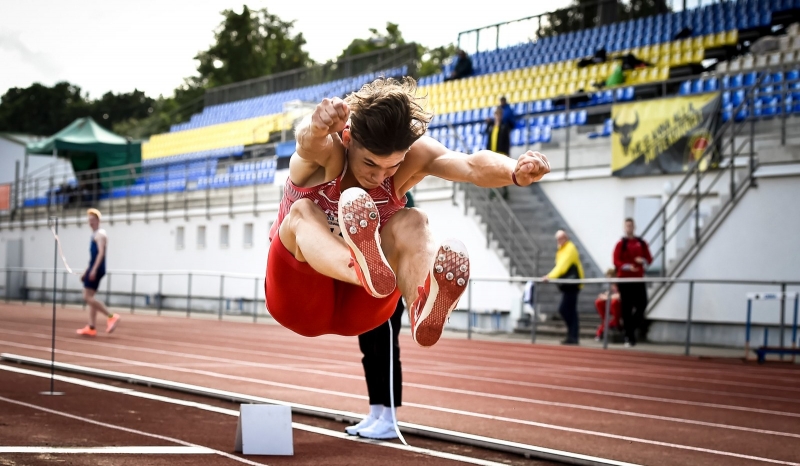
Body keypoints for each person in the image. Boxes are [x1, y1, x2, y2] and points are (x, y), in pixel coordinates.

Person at [265, 76, 550, 348]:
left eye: (392, 166)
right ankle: (363, 269)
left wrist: (514, 170)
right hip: (299, 300)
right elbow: (307, 143)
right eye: (370, 164)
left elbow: (471, 166)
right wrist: (316, 126)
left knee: (413, 219)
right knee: (302, 211)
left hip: (364, 308)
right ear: (349, 138)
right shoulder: (328, 152)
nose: (380, 177)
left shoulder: (413, 156)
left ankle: (421, 306)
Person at [345, 193, 415, 440]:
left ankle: (390, 418)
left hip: (390, 286)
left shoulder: (402, 197)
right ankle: (375, 412)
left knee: (385, 351)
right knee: (369, 351)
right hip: (365, 285)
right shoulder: (363, 193)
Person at [76, 208, 120, 336]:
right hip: (94, 267)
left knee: (86, 296)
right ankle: (91, 327)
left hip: (98, 268)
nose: (90, 222)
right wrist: (86, 271)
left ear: (98, 220)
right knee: (90, 297)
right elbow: (93, 257)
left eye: (93, 220)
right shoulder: (95, 234)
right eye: (89, 220)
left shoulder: (100, 234)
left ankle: (111, 316)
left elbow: (101, 253)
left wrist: (93, 269)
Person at [613, 218, 653, 347]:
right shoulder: (621, 243)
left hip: (638, 279)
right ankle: (629, 337)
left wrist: (643, 261)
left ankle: (630, 328)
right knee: (627, 308)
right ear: (624, 228)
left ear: (634, 227)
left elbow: (649, 258)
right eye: (627, 226)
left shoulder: (641, 243)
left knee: (642, 304)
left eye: (631, 225)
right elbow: (616, 260)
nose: (629, 228)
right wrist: (627, 266)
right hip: (625, 279)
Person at [542, 230, 584, 345]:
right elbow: (560, 266)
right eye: (558, 239)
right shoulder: (562, 249)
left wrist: (549, 276)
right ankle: (572, 335)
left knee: (565, 309)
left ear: (566, 238)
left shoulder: (569, 248)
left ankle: (573, 335)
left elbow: (562, 267)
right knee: (570, 310)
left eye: (561, 238)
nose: (559, 241)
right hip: (569, 285)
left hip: (572, 284)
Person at [484, 106, 512, 200]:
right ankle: (493, 191)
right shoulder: (491, 126)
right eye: (496, 114)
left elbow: (507, 142)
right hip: (492, 153)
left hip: (501, 153)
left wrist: (506, 153)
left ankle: (505, 191)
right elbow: (487, 136)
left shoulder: (504, 126)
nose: (498, 116)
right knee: (492, 173)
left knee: (503, 173)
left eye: (499, 114)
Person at [594, 269, 621, 341]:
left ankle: (615, 322)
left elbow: (620, 296)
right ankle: (605, 320)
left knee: (614, 302)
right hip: (612, 307)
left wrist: (607, 297)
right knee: (599, 302)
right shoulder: (612, 286)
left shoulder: (620, 284)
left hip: (620, 307)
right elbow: (609, 293)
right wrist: (603, 296)